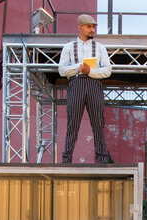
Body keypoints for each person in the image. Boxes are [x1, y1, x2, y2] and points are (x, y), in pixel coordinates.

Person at [58, 14, 113, 164]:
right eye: (89, 26)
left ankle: (102, 158)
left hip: (94, 83)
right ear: (80, 27)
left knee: (98, 122)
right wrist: (79, 68)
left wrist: (90, 72)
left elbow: (108, 70)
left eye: (93, 26)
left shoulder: (100, 48)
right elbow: (62, 70)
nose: (92, 29)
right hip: (76, 83)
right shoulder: (69, 47)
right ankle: (67, 159)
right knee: (73, 122)